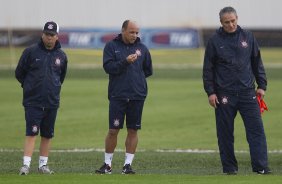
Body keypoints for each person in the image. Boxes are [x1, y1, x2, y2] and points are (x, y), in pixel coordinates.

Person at [202, 7, 271, 175]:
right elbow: (208, 69)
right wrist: (210, 92)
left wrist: (261, 85)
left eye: (233, 20)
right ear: (221, 22)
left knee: (256, 131)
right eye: (227, 22)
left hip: (248, 93)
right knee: (225, 134)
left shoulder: (248, 37)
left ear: (237, 18)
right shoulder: (214, 41)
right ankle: (229, 168)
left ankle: (260, 167)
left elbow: (257, 62)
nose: (231, 24)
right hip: (224, 95)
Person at [95, 20, 153, 174]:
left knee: (133, 130)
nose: (134, 35)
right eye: (131, 32)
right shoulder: (111, 47)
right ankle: (107, 164)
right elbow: (108, 68)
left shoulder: (143, 49)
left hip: (137, 96)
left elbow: (147, 70)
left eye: (136, 32)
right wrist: (125, 62)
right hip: (117, 95)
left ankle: (127, 165)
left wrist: (136, 83)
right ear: (123, 31)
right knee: (113, 130)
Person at [15, 21, 68, 175]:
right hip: (33, 101)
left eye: (52, 35)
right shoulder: (30, 52)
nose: (49, 37)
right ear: (42, 34)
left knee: (47, 134)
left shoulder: (62, 56)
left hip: (52, 102)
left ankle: (43, 166)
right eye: (46, 34)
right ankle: (25, 165)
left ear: (57, 37)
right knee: (31, 132)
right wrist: (30, 87)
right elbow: (19, 73)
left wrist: (53, 89)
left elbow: (61, 77)